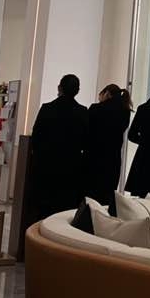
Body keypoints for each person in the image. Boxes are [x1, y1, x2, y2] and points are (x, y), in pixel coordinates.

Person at [29, 74, 88, 220]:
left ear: (59, 88)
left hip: (45, 166)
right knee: (64, 211)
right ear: (77, 91)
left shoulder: (47, 109)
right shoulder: (82, 111)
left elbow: (36, 137)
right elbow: (85, 140)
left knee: (42, 209)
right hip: (70, 167)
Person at [84, 84, 132, 207]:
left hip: (93, 159)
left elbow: (86, 132)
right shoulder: (125, 112)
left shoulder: (95, 109)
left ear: (107, 93)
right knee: (107, 199)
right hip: (113, 160)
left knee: (90, 199)